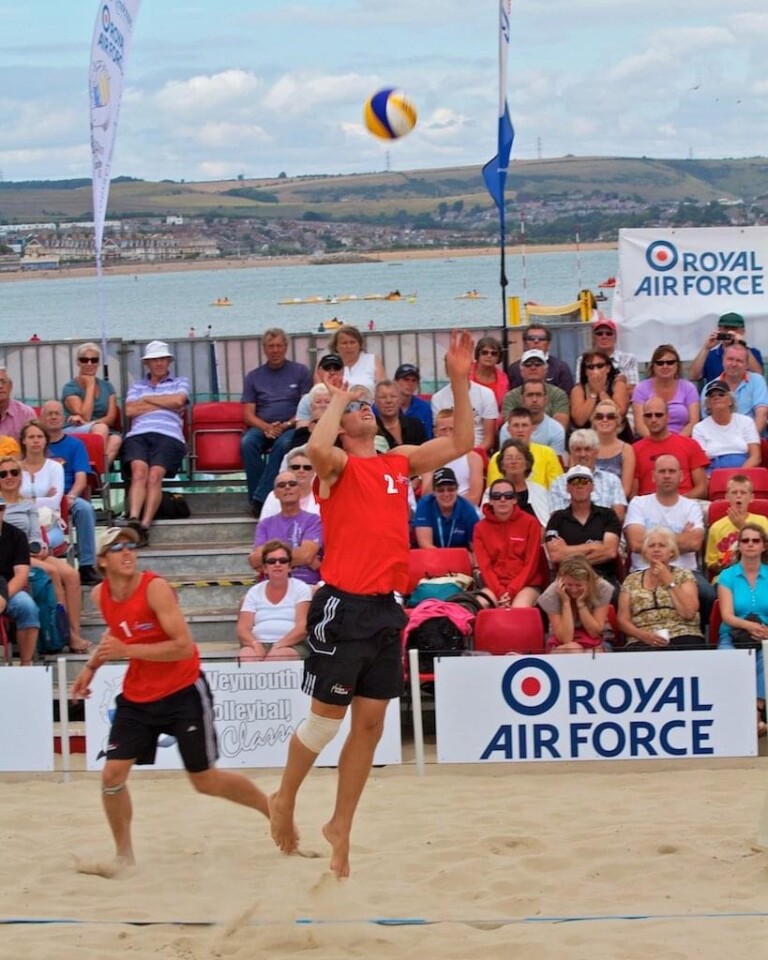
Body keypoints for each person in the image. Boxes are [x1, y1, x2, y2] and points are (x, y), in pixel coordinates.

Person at [269, 329, 475, 878]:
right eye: (358, 406)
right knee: (324, 723)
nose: (363, 409)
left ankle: (341, 825)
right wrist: (337, 394)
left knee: (371, 727)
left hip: (387, 607)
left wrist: (458, 377)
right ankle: (284, 795)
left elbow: (459, 445)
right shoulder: (336, 468)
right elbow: (314, 449)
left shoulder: (396, 463)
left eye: (366, 405)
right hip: (343, 605)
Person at [70, 526, 271, 873]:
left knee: (205, 780)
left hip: (183, 690)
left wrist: (126, 650)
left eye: (130, 545)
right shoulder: (100, 595)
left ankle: (273, 810)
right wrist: (91, 666)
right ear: (102, 561)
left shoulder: (155, 588)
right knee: (112, 776)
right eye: (117, 547)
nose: (127, 551)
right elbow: (116, 632)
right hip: (138, 696)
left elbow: (182, 646)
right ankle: (124, 856)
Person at [0, 454, 90, 653]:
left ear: (19, 476)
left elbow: (34, 534)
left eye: (14, 472)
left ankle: (74, 629)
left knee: (72, 575)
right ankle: (66, 633)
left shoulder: (28, 503)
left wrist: (39, 547)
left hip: (31, 552)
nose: (9, 477)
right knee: (52, 572)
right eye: (3, 473)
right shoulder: (0, 505)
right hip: (12, 555)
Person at [623, 454, 714, 626]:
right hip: (643, 569)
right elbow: (635, 543)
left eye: (671, 471)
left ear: (681, 476)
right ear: (653, 476)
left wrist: (651, 540)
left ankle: (701, 637)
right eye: (662, 471)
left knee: (708, 594)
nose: (666, 475)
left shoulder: (690, 506)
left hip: (685, 571)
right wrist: (679, 538)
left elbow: (694, 543)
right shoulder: (639, 503)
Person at [122, 340, 189, 546]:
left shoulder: (180, 381)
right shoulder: (137, 385)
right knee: (139, 470)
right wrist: (163, 402)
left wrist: (148, 400)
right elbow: (130, 410)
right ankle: (134, 519)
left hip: (169, 435)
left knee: (155, 474)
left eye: (162, 359)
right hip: (139, 433)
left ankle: (145, 524)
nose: (159, 363)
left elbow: (178, 401)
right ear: (147, 364)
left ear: (168, 361)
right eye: (155, 360)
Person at [241, 329, 311, 518]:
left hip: (292, 426)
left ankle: (260, 499)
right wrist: (267, 427)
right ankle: (258, 497)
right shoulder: (253, 376)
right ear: (264, 349)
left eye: (279, 346)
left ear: (286, 348)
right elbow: (248, 414)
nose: (275, 350)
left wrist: (286, 425)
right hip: (262, 426)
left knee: (284, 444)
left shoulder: (300, 372)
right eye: (271, 346)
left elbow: (306, 407)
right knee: (247, 443)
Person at [40, 400, 102, 585]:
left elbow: (81, 477)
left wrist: (72, 496)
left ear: (63, 418)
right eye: (49, 413)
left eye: (57, 413)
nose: (53, 417)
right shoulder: (36, 443)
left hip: (67, 496)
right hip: (40, 497)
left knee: (85, 509)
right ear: (42, 418)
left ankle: (86, 566)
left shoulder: (75, 445)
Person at [717, 522, 768, 737]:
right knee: (727, 659)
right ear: (739, 545)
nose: (750, 545)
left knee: (765, 660)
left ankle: (755, 717)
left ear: (764, 546)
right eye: (745, 540)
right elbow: (727, 615)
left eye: (755, 541)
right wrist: (751, 626)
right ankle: (734, 718)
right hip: (734, 633)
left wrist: (765, 631)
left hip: (766, 634)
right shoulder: (727, 576)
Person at [617, 526, 703, 651]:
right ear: (645, 552)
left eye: (662, 545)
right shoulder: (631, 580)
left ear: (672, 552)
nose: (656, 549)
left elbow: (689, 613)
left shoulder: (684, 575)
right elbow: (622, 621)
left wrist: (669, 581)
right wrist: (643, 636)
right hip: (642, 639)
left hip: (682, 634)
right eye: (651, 546)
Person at [544, 465, 622, 594]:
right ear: (567, 488)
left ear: (592, 486)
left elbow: (610, 551)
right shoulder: (557, 518)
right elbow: (555, 555)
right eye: (574, 482)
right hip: (567, 579)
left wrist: (567, 551)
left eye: (584, 481)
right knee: (545, 601)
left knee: (614, 595)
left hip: (602, 575)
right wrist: (593, 546)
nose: (579, 486)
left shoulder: (608, 515)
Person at [473, 478, 545, 608]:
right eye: (496, 496)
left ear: (515, 499)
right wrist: (501, 592)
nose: (502, 499)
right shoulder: (480, 528)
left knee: (519, 609)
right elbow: (485, 567)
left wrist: (511, 591)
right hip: (494, 586)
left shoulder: (531, 523)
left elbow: (530, 565)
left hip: (526, 584)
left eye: (508, 495)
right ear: (490, 500)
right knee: (481, 604)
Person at [237, 539, 312, 661]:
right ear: (265, 568)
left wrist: (278, 645)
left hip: (293, 645)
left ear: (289, 567)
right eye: (272, 561)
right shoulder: (254, 591)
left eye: (283, 561)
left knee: (278, 657)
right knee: (246, 656)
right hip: (259, 643)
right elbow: (243, 628)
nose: (278, 564)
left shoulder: (301, 589)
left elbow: (302, 627)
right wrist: (255, 644)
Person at [249, 472, 322, 585]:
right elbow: (256, 560)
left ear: (299, 490)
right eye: (282, 485)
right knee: (244, 601)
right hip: (272, 585)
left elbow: (306, 555)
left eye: (292, 484)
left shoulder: (314, 520)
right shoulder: (265, 524)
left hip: (307, 584)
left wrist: (271, 560)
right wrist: (303, 558)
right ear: (275, 493)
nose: (287, 487)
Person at [632, 397, 709, 498]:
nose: (653, 419)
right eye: (648, 415)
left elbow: (702, 488)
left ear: (668, 417)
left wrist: (677, 503)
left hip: (686, 504)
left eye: (658, 415)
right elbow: (633, 494)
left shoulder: (690, 444)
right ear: (643, 418)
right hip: (649, 508)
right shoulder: (634, 450)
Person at [61, 342, 122, 467]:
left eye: (94, 360)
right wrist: (90, 385)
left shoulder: (107, 386)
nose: (89, 364)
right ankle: (88, 471)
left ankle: (96, 474)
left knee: (116, 440)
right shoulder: (70, 387)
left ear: (98, 363)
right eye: (85, 360)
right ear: (78, 362)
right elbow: (85, 415)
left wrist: (91, 423)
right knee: (101, 428)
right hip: (74, 428)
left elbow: (110, 418)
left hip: (98, 427)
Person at [537, 555, 613, 654]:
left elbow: (594, 633)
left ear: (589, 581)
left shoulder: (602, 588)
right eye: (569, 585)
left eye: (578, 585)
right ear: (561, 580)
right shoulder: (550, 595)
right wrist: (565, 602)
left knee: (592, 653)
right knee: (573, 649)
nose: (574, 589)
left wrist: (581, 604)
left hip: (596, 641)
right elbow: (566, 638)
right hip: (561, 644)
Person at [548, 430, 627, 521]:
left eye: (587, 449)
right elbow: (556, 518)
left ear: (596, 452)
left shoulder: (612, 480)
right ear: (571, 452)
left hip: (606, 532)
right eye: (578, 449)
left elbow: (618, 516)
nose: (582, 454)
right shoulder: (558, 483)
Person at [18, 419, 68, 557]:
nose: (36, 440)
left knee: (36, 546)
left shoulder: (56, 468)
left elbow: (54, 502)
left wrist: (24, 499)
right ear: (23, 440)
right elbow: (9, 501)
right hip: (19, 525)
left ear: (46, 440)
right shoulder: (13, 470)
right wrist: (42, 497)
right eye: (31, 437)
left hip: (49, 527)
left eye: (40, 437)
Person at [0, 494, 39, 664]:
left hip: (10, 587)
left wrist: (3, 596)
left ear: (3, 510)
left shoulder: (17, 536)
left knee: (28, 608)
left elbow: (21, 574)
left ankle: (26, 665)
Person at [705, 475, 768, 579]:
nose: (738, 496)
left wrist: (743, 526)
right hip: (727, 577)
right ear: (727, 497)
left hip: (758, 575)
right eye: (734, 492)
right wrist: (724, 566)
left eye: (743, 493)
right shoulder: (716, 527)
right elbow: (711, 563)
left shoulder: (763, 521)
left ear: (751, 498)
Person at [692, 379, 761, 473]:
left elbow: (755, 457)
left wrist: (738, 475)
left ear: (730, 401)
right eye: (712, 396)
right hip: (713, 472)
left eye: (721, 394)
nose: (716, 398)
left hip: (744, 471)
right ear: (708, 404)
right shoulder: (699, 428)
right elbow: (701, 462)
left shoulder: (746, 422)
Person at [631, 344, 700, 438]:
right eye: (660, 363)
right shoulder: (641, 388)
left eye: (670, 362)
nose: (665, 366)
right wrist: (659, 443)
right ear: (653, 366)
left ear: (677, 365)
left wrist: (675, 443)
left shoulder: (689, 388)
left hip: (682, 441)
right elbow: (640, 426)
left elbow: (694, 422)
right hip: (651, 441)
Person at [419, 409, 484, 506]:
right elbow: (426, 496)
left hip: (465, 511)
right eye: (443, 430)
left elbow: (474, 497)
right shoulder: (428, 459)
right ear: (435, 432)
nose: (448, 434)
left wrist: (450, 509)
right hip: (435, 511)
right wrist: (438, 465)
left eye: (452, 429)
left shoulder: (473, 458)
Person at [431, 360, 498, 453]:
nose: (458, 372)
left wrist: (472, 455)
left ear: (470, 369)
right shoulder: (438, 398)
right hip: (448, 452)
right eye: (453, 369)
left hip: (478, 450)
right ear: (447, 371)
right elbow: (439, 434)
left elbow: (489, 440)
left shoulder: (486, 394)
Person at [487, 408, 563, 490]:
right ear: (508, 430)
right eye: (516, 425)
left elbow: (557, 488)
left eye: (524, 425)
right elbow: (493, 490)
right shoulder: (497, 457)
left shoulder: (548, 453)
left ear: (532, 428)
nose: (520, 430)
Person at [701, 341, 768, 435]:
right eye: (730, 359)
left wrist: (750, 441)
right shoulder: (709, 388)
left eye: (739, 361)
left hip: (752, 438)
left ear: (747, 365)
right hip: (720, 440)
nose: (733, 364)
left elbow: (762, 415)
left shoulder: (757, 381)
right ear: (723, 360)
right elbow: (707, 423)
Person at [481, 438, 549, 525]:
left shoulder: (539, 491)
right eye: (509, 458)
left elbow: (546, 523)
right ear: (502, 464)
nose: (513, 462)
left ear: (527, 464)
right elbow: (484, 522)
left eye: (518, 458)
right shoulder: (492, 492)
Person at [412, 466, 479, 549]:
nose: (446, 494)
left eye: (451, 489)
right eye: (440, 490)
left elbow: (476, 548)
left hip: (460, 559)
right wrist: (445, 558)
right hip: (432, 557)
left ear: (457, 489)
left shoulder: (468, 509)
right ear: (434, 492)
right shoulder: (425, 504)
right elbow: (425, 544)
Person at [502, 350, 570, 429]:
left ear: (546, 370)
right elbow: (511, 427)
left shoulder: (559, 394)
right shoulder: (510, 397)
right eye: (528, 365)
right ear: (521, 371)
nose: (533, 367)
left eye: (538, 364)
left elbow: (560, 427)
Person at [689, 311, 764, 383]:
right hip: (716, 394)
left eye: (734, 328)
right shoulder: (711, 355)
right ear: (719, 330)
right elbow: (693, 376)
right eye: (726, 328)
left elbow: (759, 374)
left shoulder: (753, 353)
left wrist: (742, 344)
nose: (729, 332)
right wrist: (706, 348)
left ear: (742, 331)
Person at [498, 380, 565, 456]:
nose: (534, 400)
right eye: (530, 395)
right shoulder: (507, 428)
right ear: (522, 399)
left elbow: (554, 462)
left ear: (545, 399)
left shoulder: (557, 429)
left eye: (539, 395)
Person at [569, 350, 629, 429]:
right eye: (590, 367)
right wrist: (593, 393)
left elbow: (619, 416)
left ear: (608, 368)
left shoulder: (618, 385)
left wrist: (601, 392)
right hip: (588, 435)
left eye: (600, 366)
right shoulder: (578, 390)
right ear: (585, 371)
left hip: (616, 434)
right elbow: (579, 421)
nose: (595, 370)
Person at [574, 318, 639, 389]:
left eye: (609, 333)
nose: (604, 336)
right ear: (593, 337)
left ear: (615, 337)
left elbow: (633, 389)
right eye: (599, 333)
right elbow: (580, 387)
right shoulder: (582, 359)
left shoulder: (629, 358)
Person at [507, 325, 574, 394]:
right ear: (524, 343)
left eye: (541, 338)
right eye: (531, 338)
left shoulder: (561, 367)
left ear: (548, 344)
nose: (536, 341)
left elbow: (566, 396)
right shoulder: (514, 368)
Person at [591, 399, 636, 499]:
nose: (605, 419)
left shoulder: (626, 450)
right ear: (594, 421)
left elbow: (625, 490)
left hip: (616, 504)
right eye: (599, 416)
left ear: (617, 421)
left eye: (610, 416)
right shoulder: (585, 447)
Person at [261, 446, 319, 518]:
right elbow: (264, 525)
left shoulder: (322, 496)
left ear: (314, 472)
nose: (301, 471)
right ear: (288, 469)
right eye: (296, 467)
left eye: (307, 468)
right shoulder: (273, 496)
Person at [326, 324, 385, 393]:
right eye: (344, 343)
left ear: (360, 344)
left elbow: (382, 389)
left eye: (352, 342)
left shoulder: (372, 360)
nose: (349, 346)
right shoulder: (328, 363)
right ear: (336, 346)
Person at [374, 379, 427, 448]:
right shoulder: (371, 430)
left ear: (399, 400)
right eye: (383, 397)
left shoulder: (415, 425)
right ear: (375, 402)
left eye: (393, 396)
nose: (388, 401)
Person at [393, 364, 433, 439]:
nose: (410, 384)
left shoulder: (425, 408)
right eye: (406, 379)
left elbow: (428, 437)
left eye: (414, 380)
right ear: (395, 382)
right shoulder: (384, 405)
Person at [470, 336, 509, 408]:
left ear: (498, 357)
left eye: (494, 353)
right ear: (478, 354)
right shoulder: (465, 372)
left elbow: (503, 407)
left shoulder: (503, 379)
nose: (489, 356)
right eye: (484, 352)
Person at [0, 368, 36, 442]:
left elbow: (35, 443)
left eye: (3, 382)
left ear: (10, 387)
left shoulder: (25, 413)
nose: (0, 386)